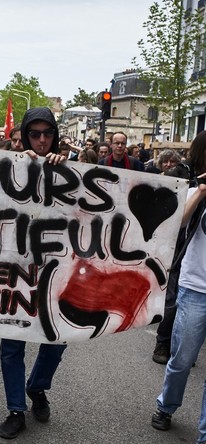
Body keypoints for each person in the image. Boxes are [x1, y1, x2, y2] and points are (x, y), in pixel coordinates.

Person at [0, 107, 67, 440]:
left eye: (47, 134)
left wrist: (68, 169)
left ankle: (37, 387)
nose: (41, 141)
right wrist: (15, 164)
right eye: (34, 134)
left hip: (57, 274)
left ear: (55, 135)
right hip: (14, 273)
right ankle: (15, 409)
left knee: (56, 342)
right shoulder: (11, 164)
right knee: (11, 346)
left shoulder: (70, 169)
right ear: (25, 135)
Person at [151, 130, 206, 439]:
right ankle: (167, 406)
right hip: (195, 288)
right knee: (182, 359)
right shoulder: (194, 191)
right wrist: (200, 191)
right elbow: (177, 224)